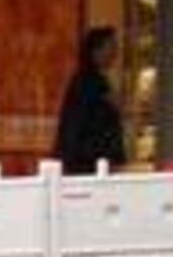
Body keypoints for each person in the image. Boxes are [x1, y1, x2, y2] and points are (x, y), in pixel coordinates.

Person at [51, 26, 128, 173]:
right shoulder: (88, 83)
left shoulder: (95, 82)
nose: (115, 53)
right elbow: (77, 125)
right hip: (86, 163)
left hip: (91, 162)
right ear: (95, 50)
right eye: (110, 47)